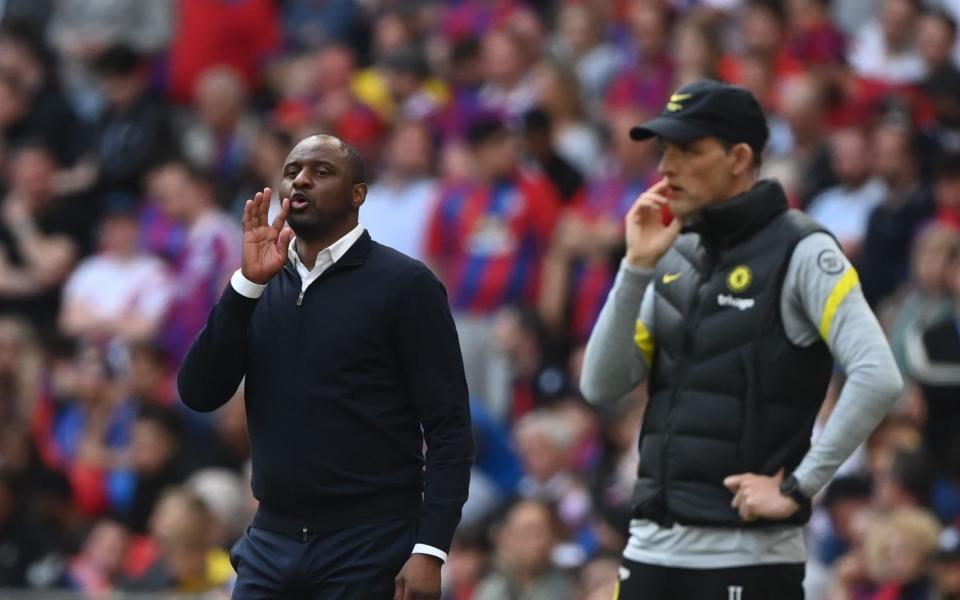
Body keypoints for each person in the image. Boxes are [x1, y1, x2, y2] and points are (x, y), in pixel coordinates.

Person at [579, 79, 903, 598]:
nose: (665, 168)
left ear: (739, 157)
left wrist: (798, 488)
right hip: (648, 550)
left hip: (747, 559)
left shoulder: (803, 249)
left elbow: (877, 375)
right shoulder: (669, 251)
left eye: (688, 150)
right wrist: (635, 266)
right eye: (664, 151)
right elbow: (601, 385)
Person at [177, 134, 473, 599]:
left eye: (321, 171)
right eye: (293, 170)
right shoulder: (260, 285)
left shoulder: (405, 284)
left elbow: (449, 427)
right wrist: (244, 286)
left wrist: (430, 547)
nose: (301, 181)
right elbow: (199, 392)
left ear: (359, 194)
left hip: (370, 540)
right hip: (271, 538)